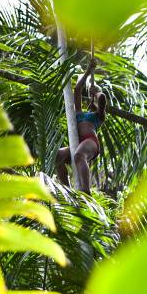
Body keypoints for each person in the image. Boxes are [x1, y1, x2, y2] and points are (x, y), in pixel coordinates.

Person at [56, 58, 106, 193]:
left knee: (79, 156)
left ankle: (86, 190)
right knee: (58, 156)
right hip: (77, 143)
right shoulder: (78, 113)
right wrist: (88, 72)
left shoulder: (98, 116)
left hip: (90, 141)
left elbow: (102, 99)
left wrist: (95, 92)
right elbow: (77, 89)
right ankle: (67, 190)